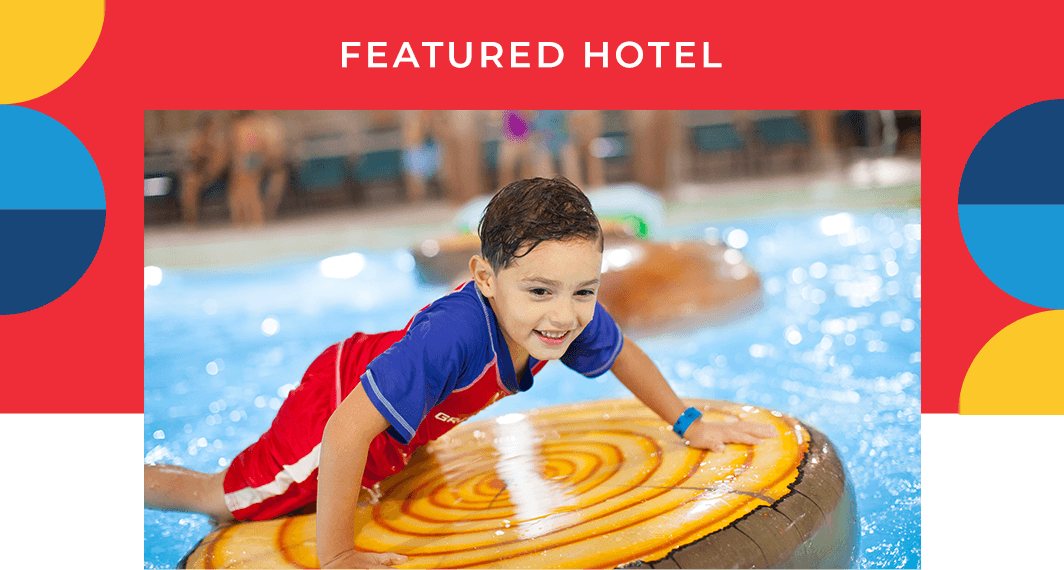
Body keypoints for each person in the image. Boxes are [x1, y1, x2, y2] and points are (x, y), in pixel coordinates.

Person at [143, 176, 776, 569]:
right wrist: (337, 555)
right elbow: (343, 432)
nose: (564, 315)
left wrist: (687, 422)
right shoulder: (456, 336)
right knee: (228, 498)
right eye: (540, 292)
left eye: (583, 290)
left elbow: (625, 354)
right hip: (335, 404)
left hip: (390, 397)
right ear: (485, 279)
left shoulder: (568, 311)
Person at [227, 110, 287, 228]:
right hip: (249, 159)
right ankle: (247, 222)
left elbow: (255, 146)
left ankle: (250, 222)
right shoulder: (246, 125)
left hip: (249, 159)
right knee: (244, 192)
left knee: (246, 192)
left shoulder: (245, 125)